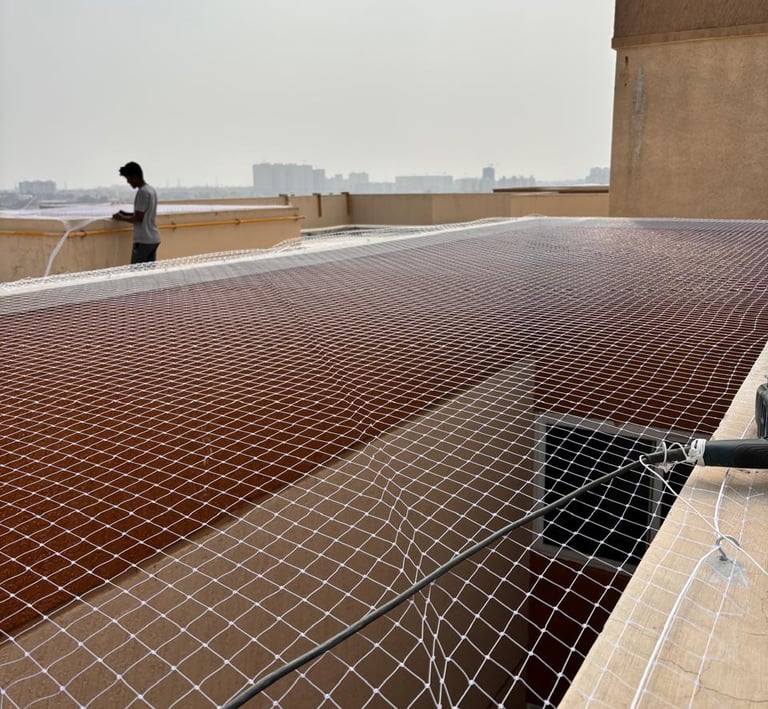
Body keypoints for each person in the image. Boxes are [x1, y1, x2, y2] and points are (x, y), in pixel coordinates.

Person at [112, 161, 161, 264]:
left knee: (136, 273)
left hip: (144, 240)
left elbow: (138, 218)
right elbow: (144, 214)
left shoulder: (142, 192)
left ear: (134, 176)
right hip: (154, 239)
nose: (128, 182)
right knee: (148, 272)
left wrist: (121, 218)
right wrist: (126, 214)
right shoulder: (151, 190)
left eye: (128, 178)